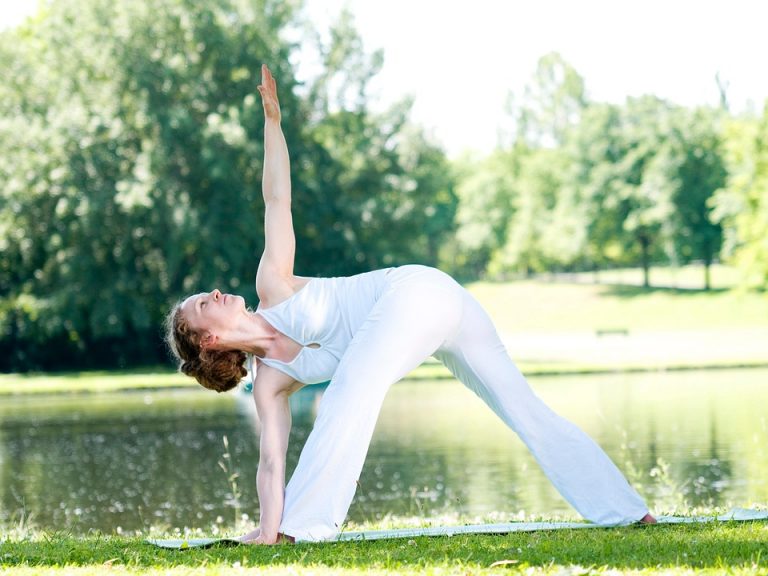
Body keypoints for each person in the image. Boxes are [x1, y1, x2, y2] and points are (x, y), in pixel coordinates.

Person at [165, 65, 656, 544]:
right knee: (487, 403)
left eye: (205, 295)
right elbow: (270, 463)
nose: (213, 294)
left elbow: (276, 200)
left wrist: (273, 124)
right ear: (210, 340)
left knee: (364, 392)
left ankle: (623, 508)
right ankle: (632, 514)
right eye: (203, 306)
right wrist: (265, 529)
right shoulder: (269, 385)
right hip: (431, 319)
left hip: (419, 292)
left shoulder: (273, 284)